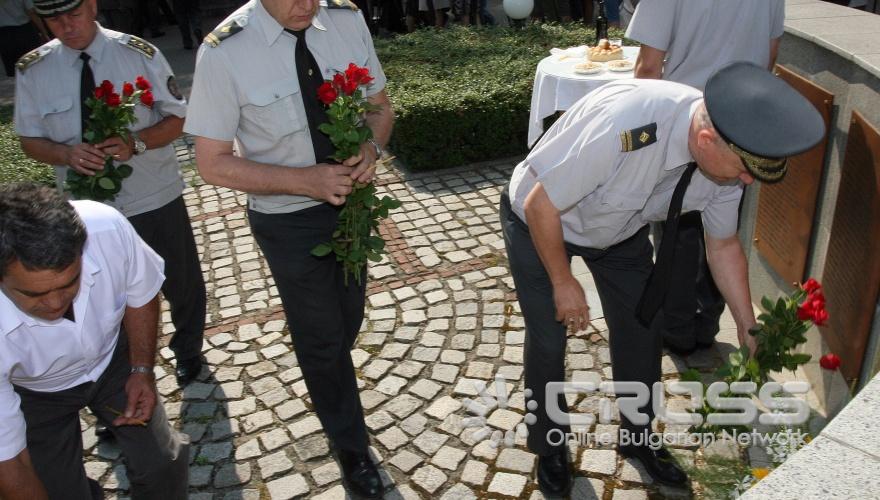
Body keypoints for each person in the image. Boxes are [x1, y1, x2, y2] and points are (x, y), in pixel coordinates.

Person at [501, 63, 824, 496]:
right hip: (539, 219)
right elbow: (543, 205)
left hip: (619, 233)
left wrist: (748, 324)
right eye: (745, 170)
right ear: (707, 140)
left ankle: (637, 436)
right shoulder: (629, 125)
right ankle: (550, 446)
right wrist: (564, 281)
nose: (747, 181)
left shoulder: (728, 160)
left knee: (642, 327)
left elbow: (723, 246)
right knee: (548, 338)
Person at [184, 0, 394, 497]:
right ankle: (351, 445)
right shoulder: (223, 51)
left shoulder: (346, 20)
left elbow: (379, 106)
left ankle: (329, 381)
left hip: (353, 209)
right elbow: (212, 164)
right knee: (321, 334)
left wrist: (371, 148)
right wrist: (304, 181)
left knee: (347, 317)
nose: (307, 5)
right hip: (287, 219)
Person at [14, 0, 207, 388]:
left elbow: (181, 118)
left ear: (92, 6)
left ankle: (188, 349)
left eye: (73, 15)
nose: (66, 27)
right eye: (54, 20)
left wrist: (136, 141)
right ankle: (116, 373)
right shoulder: (34, 70)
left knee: (180, 280)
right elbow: (29, 140)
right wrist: (65, 153)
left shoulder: (137, 54)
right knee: (98, 293)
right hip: (87, 208)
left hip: (152, 194)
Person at [0, 183, 190, 500]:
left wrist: (142, 369)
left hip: (114, 361)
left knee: (162, 464)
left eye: (69, 282)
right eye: (34, 294)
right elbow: (11, 463)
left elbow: (140, 292)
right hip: (33, 394)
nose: (55, 303)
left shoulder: (107, 227)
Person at [626, 0, 785, 355]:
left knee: (676, 233)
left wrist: (646, 138)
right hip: (739, 127)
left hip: (684, 126)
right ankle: (705, 325)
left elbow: (648, 68)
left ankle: (677, 329)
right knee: (721, 230)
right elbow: (771, 53)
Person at [0, 0, 49, 77]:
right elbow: (31, 11)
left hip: (4, 34)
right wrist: (44, 32)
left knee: (14, 70)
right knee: (35, 65)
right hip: (25, 32)